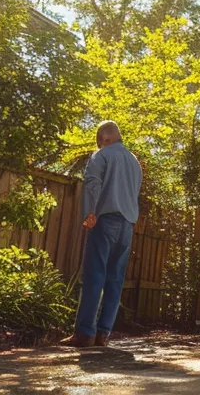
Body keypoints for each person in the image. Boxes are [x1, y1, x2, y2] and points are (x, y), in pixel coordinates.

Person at [62, 120, 142, 348]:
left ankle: (85, 333)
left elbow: (93, 183)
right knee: (115, 279)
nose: (99, 145)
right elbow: (134, 193)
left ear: (105, 139)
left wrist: (89, 213)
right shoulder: (134, 162)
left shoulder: (102, 155)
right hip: (127, 224)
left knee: (94, 275)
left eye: (100, 141)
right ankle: (103, 334)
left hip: (105, 219)